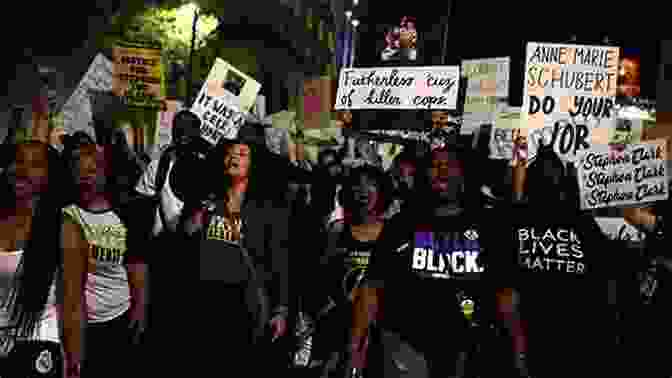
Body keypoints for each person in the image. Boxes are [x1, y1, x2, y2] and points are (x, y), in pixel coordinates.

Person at [352, 141, 519, 377]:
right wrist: (355, 348)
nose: (441, 170)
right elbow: (371, 287)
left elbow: (506, 293)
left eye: (449, 165)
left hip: (471, 356)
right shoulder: (402, 224)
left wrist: (518, 351)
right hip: (404, 355)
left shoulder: (489, 226)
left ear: (463, 173)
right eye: (434, 165)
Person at [502, 144, 624, 378]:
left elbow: (604, 279)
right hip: (530, 341)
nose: (550, 177)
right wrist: (517, 346)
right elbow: (505, 288)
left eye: (554, 170)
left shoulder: (581, 223)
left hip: (574, 347)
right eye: (543, 171)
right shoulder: (515, 219)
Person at [60, 135, 147, 377]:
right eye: (80, 171)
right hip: (78, 324)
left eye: (93, 170)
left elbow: (136, 265)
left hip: (118, 318)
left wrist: (139, 309)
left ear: (104, 172)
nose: (87, 176)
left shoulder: (126, 214)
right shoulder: (65, 215)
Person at [311, 165, 394, 376]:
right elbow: (321, 277)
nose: (363, 190)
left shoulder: (396, 233)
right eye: (357, 185)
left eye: (371, 184)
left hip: (380, 331)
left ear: (383, 192)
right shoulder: (336, 231)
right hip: (337, 329)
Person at [0, 141, 63, 377]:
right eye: (17, 161)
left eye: (34, 164)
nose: (22, 169)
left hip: (37, 342)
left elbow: (74, 303)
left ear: (50, 176)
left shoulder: (64, 229)